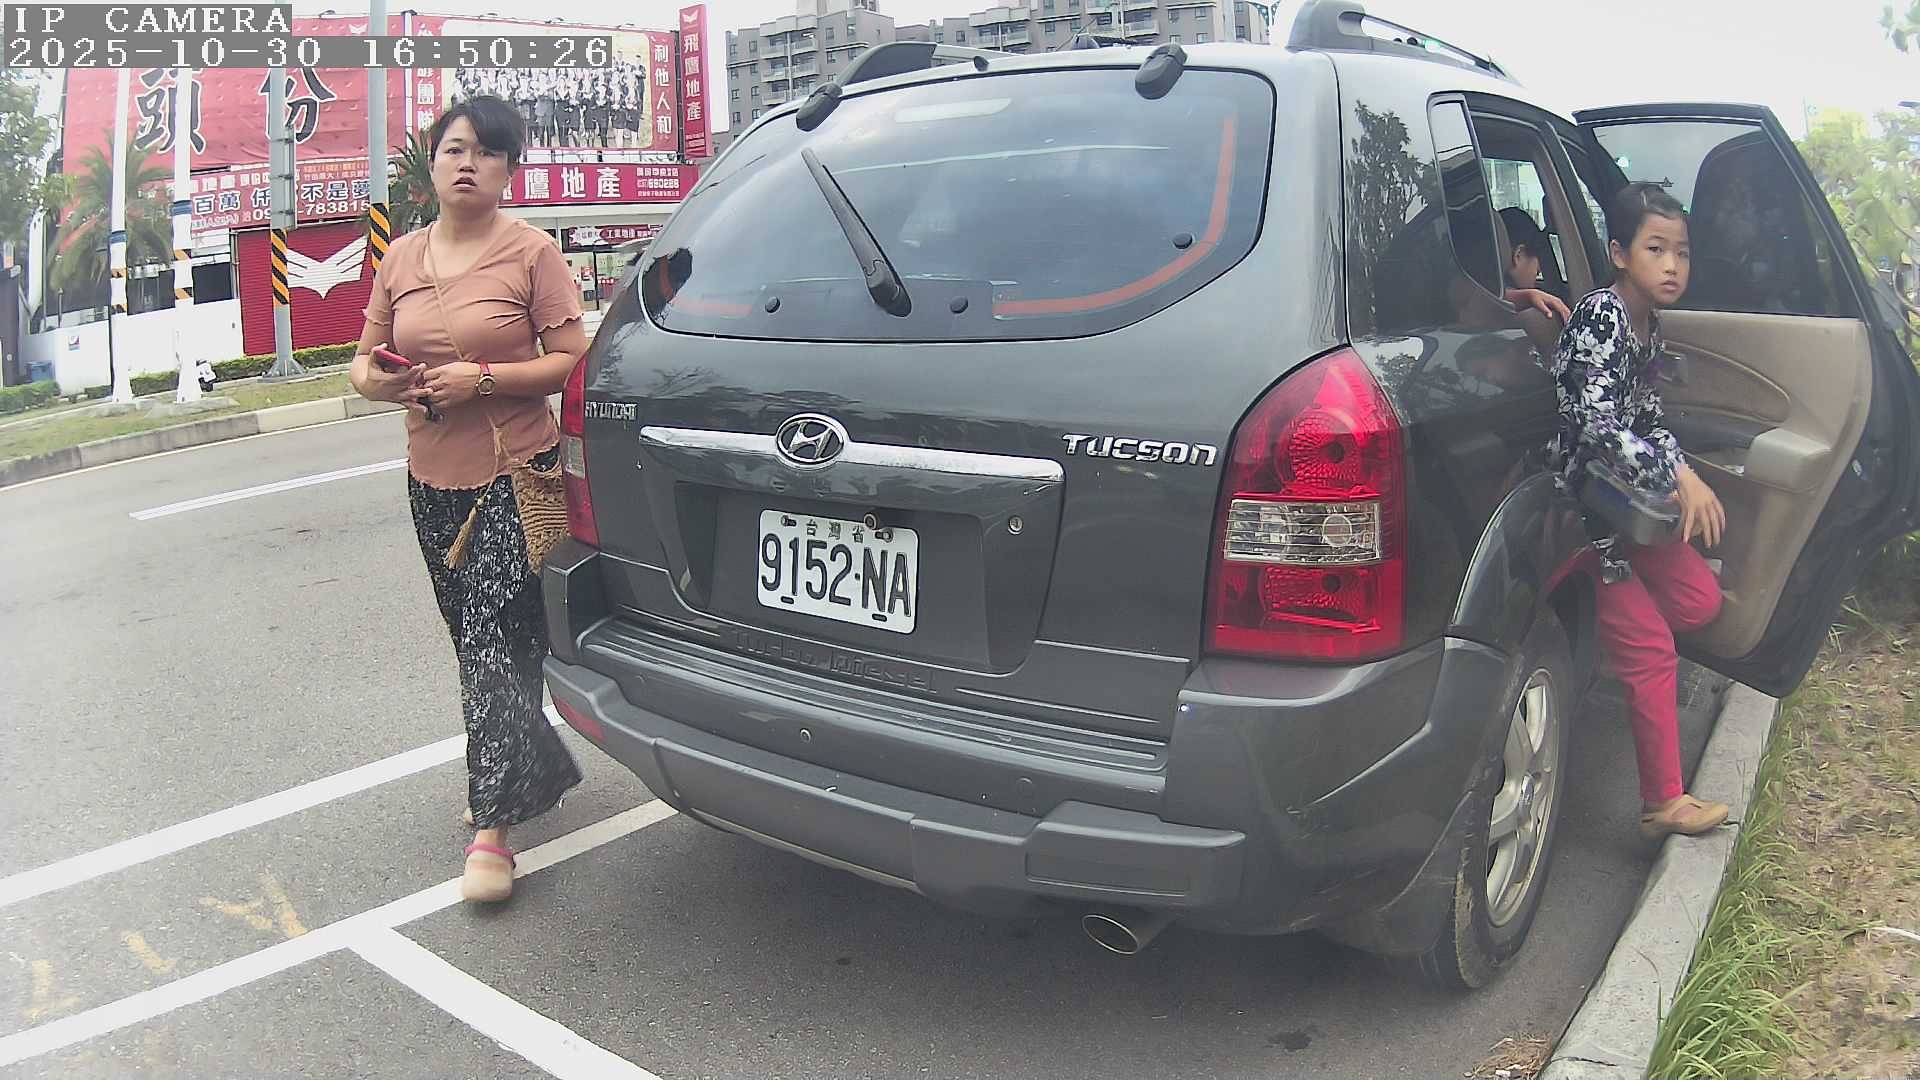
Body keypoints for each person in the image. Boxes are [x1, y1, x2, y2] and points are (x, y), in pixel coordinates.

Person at [348, 95, 590, 903]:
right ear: (432, 162)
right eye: (454, 148)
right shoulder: (401, 258)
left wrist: (482, 379)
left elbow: (571, 359)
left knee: (494, 640)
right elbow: (361, 362)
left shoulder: (531, 253)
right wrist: (383, 383)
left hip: (516, 475)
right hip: (431, 480)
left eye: (486, 152)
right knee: (476, 641)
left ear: (508, 170)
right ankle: (522, 766)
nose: (467, 163)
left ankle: (493, 830)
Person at [1548, 181, 1731, 840]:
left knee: (1700, 602)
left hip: (1626, 503)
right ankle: (1663, 803)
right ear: (1620, 253)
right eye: (1656, 249)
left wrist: (1683, 471)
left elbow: (1647, 416)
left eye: (1681, 252)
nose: (1673, 265)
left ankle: (1609, 640)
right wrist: (1674, 475)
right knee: (1652, 648)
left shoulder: (1647, 323)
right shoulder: (1602, 316)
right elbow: (1596, 425)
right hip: (1583, 515)